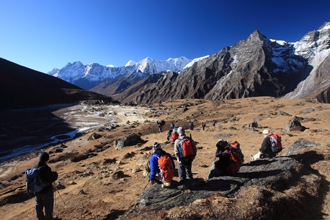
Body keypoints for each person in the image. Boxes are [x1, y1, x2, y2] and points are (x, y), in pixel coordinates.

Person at [34, 152, 58, 220]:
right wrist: (55, 175)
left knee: (38, 204)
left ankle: (40, 218)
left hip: (37, 190)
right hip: (46, 190)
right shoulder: (45, 168)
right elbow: (51, 179)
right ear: (47, 159)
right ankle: (49, 218)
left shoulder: (35, 166)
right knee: (48, 205)